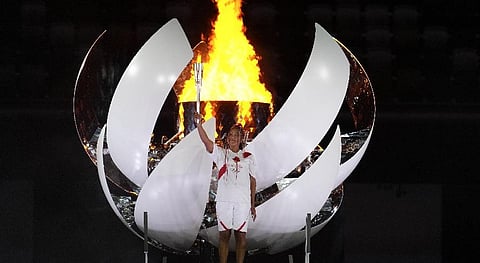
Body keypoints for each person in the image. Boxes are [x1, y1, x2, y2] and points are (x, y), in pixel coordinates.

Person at [194, 112, 257, 263]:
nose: (232, 138)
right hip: (224, 201)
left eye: (236, 135)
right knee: (224, 236)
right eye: (230, 135)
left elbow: (253, 181)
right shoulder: (221, 154)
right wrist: (198, 125)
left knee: (241, 238)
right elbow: (206, 142)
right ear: (227, 138)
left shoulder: (248, 157)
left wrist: (253, 204)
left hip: (243, 202)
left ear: (241, 138)